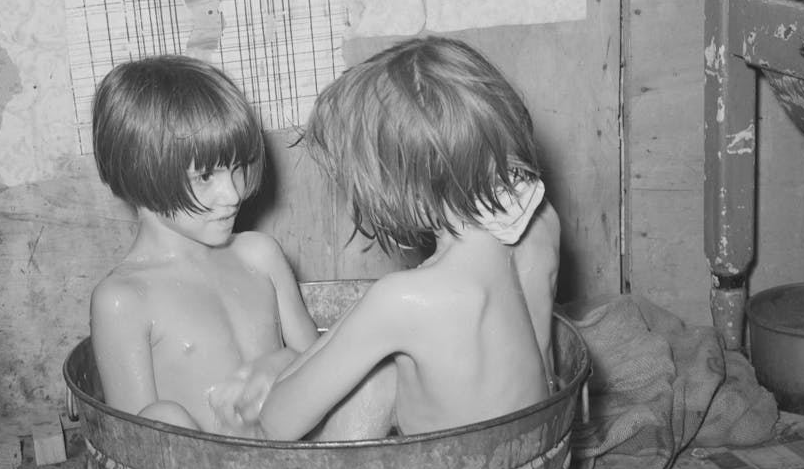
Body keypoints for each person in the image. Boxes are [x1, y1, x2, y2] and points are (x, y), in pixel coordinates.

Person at [233, 36, 561, 439]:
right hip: (536, 457)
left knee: (375, 375)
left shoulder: (401, 300)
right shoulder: (539, 226)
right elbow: (544, 366)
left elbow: (278, 422)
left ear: (403, 192)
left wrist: (283, 361)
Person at [88, 55, 317, 435]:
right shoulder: (123, 299)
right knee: (163, 418)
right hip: (201, 468)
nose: (233, 194)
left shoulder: (259, 256)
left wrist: (283, 363)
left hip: (295, 451)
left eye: (238, 167)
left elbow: (323, 371)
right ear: (141, 171)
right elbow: (137, 445)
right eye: (207, 175)